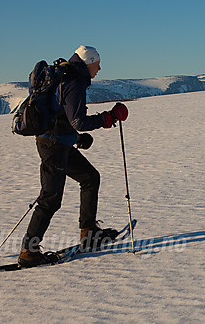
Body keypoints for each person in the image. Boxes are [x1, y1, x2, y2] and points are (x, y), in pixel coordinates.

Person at [19, 45, 129, 268]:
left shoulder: (68, 76)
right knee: (50, 199)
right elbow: (77, 120)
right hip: (53, 145)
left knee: (90, 177)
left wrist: (77, 139)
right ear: (88, 62)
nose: (99, 68)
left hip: (59, 142)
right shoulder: (74, 82)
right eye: (97, 64)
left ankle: (88, 233)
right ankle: (28, 252)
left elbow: (62, 115)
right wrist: (106, 118)